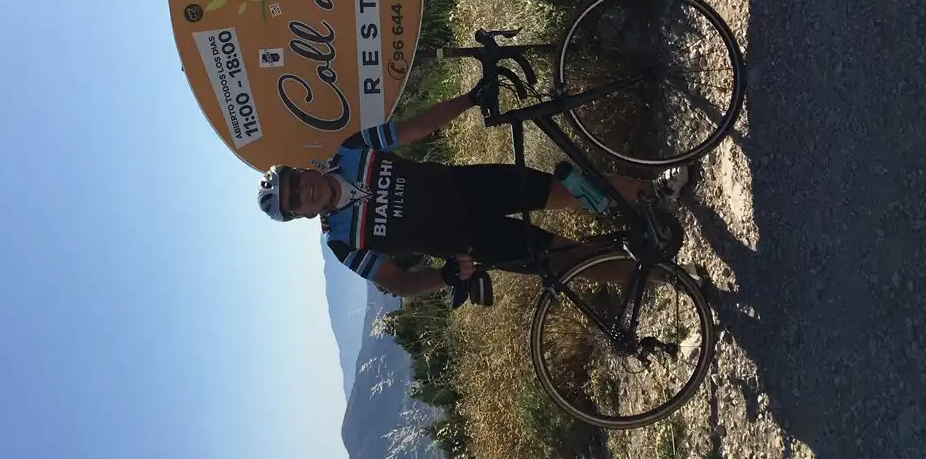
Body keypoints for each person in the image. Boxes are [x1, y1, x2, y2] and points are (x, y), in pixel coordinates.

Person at [255, 88, 687, 298]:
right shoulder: (341, 242)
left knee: (574, 191)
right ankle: (667, 278)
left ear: (302, 169)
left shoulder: (351, 149)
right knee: (569, 260)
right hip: (475, 244)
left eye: (295, 181)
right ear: (302, 215)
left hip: (475, 185)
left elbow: (415, 127)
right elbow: (397, 283)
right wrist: (443, 278)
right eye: (295, 201)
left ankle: (659, 194)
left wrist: (470, 99)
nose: (302, 192)